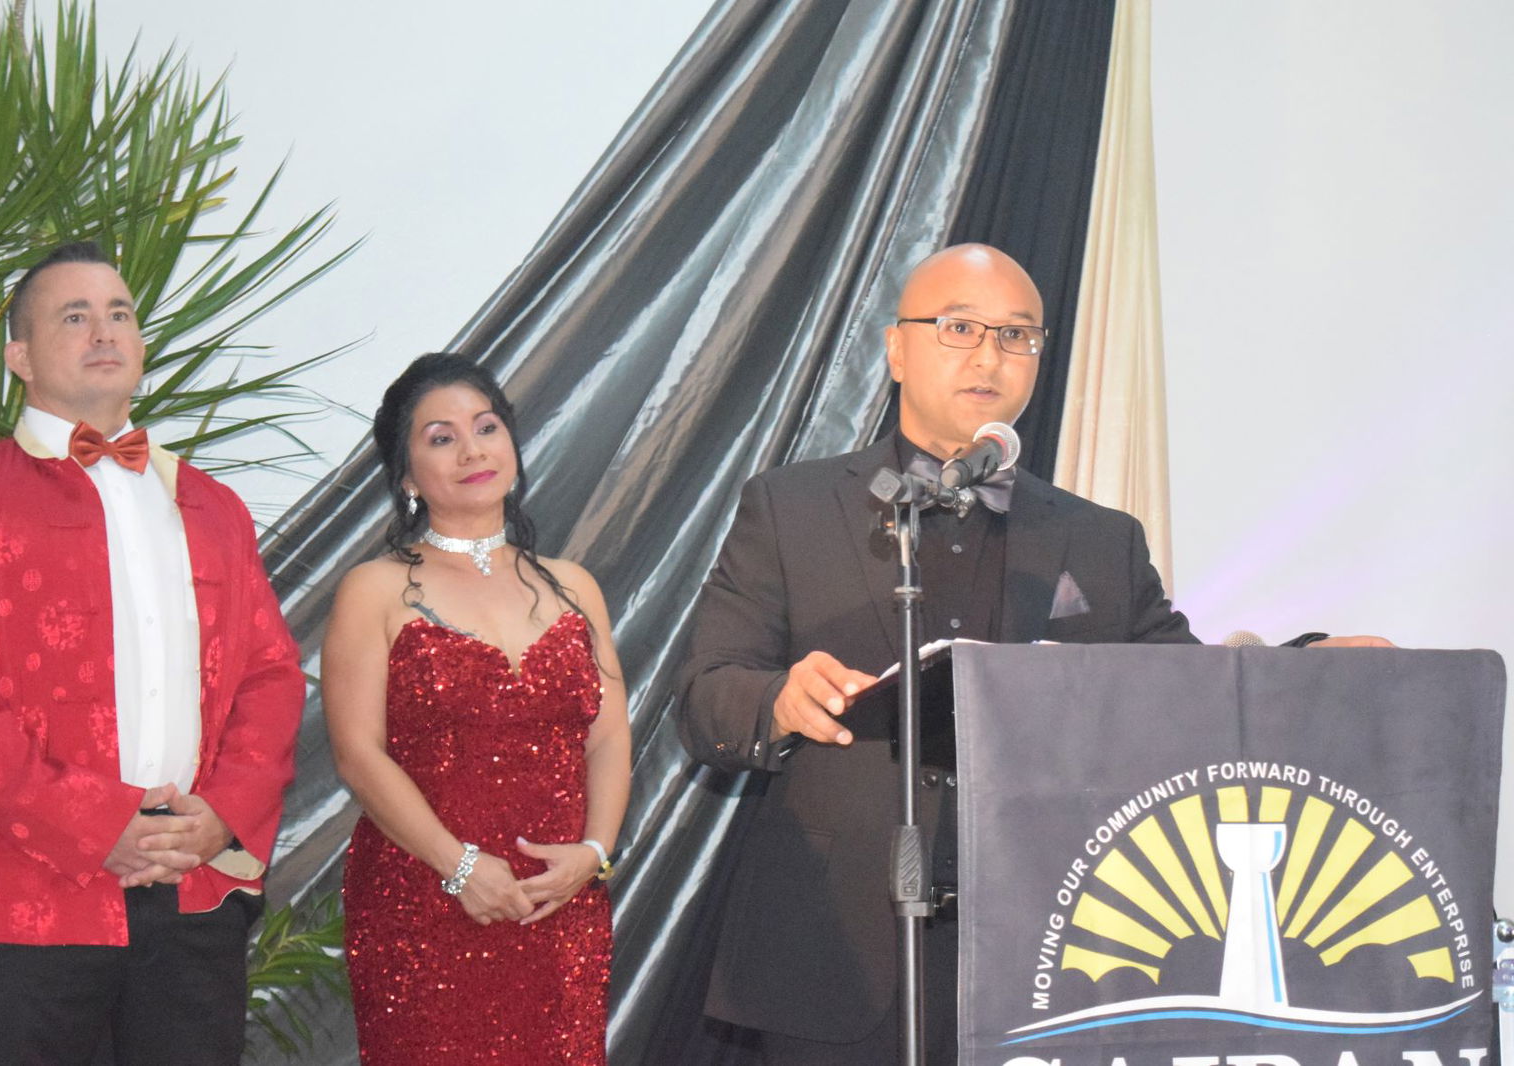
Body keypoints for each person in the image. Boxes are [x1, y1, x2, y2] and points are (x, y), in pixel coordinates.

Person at [677, 243, 1386, 1064]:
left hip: (1050, 951)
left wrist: (1307, 663)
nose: (990, 356)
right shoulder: (790, 507)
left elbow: (1182, 686)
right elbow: (704, 698)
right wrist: (778, 702)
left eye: (1017, 336)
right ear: (896, 348)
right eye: (960, 328)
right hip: (837, 946)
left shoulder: (1098, 538)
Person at [0, 241, 305, 1064]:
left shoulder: (213, 506)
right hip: (14, 899)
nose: (105, 331)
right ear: (18, 355)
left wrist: (221, 815)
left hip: (194, 894)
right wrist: (98, 825)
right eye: (75, 316)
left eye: (119, 314)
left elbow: (271, 677)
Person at [324, 352, 630, 1064]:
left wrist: (594, 852)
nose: (472, 450)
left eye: (486, 427)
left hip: (561, 905)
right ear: (404, 475)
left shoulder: (575, 586)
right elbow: (357, 754)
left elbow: (610, 737)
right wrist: (458, 867)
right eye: (440, 437)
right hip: (426, 902)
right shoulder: (372, 590)